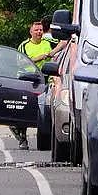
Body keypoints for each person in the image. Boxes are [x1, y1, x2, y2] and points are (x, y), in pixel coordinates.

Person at [11, 20, 57, 150]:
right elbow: (20, 63)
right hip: (29, 81)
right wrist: (40, 57)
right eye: (36, 30)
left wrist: (52, 53)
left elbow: (65, 43)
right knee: (24, 110)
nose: (39, 32)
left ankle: (47, 138)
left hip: (47, 80)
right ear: (31, 32)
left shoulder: (48, 42)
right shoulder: (24, 46)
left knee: (46, 110)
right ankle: (22, 138)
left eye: (41, 30)